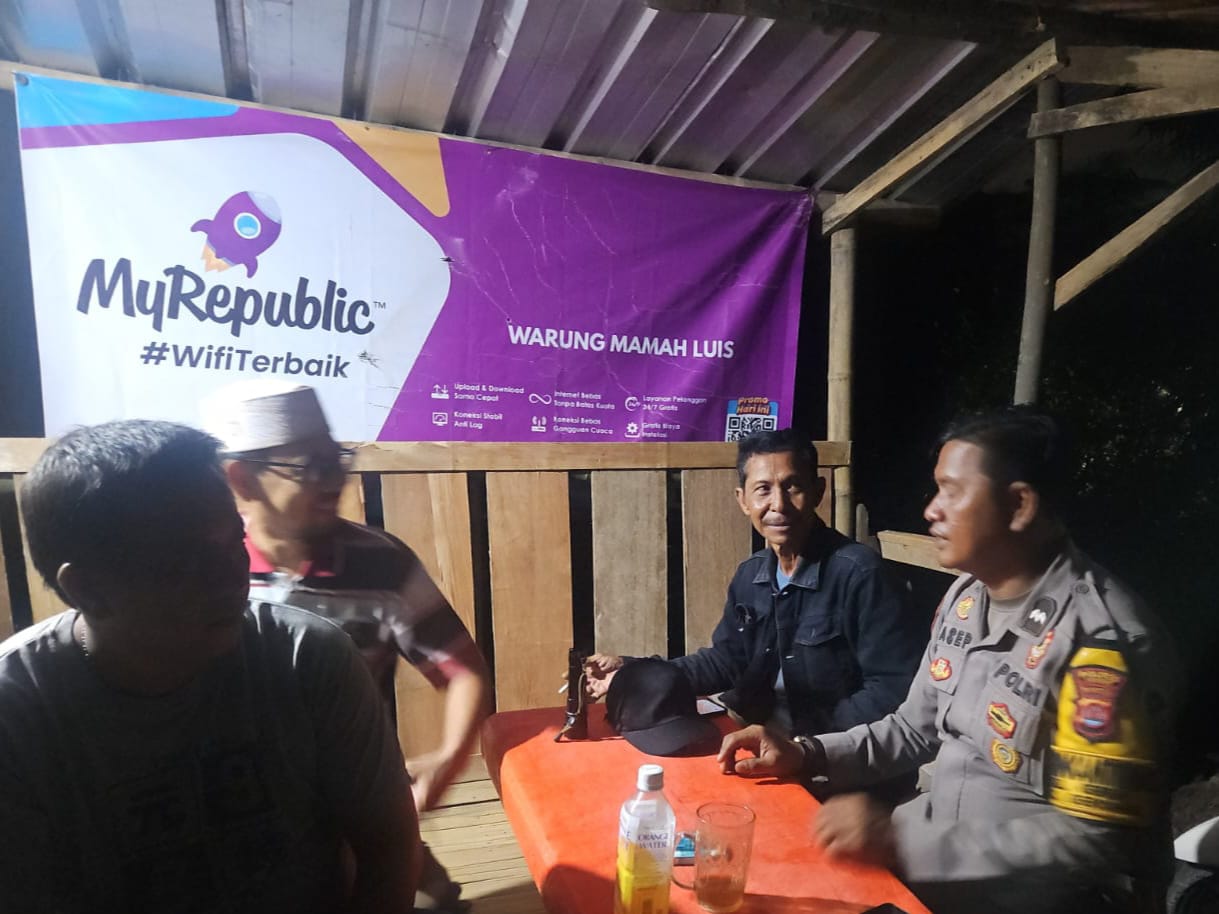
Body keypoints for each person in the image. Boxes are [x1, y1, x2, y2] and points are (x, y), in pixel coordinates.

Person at [718, 408, 1181, 914]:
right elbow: (912, 729)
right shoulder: (967, 599)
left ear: (1019, 505)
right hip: (926, 870)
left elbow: (1098, 841)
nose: (931, 510)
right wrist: (805, 753)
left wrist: (901, 843)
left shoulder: (1099, 645)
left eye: (951, 492)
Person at [0, 420, 419, 913]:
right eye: (185, 557)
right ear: (88, 589)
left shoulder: (307, 656)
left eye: (233, 541)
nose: (230, 576)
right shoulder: (17, 715)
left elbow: (389, 845)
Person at [201, 381, 491, 913]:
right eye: (308, 466)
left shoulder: (381, 564)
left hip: (360, 815)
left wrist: (448, 759)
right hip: (236, 830)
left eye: (335, 459)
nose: (335, 479)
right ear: (241, 478)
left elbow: (462, 670)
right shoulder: (205, 572)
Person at [585, 427, 923, 740]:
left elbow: (892, 689)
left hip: (832, 755)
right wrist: (632, 671)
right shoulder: (751, 576)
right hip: (757, 736)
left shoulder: (861, 574)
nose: (778, 504)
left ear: (818, 491)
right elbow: (724, 661)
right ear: (743, 500)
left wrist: (808, 746)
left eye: (793, 487)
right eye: (763, 490)